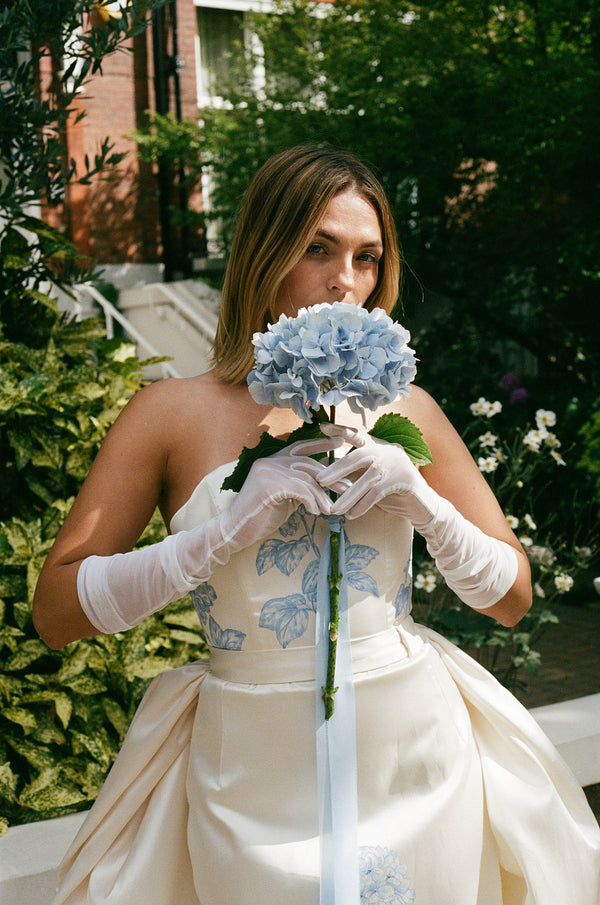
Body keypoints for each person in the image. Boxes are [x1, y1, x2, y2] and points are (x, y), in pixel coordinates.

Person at [34, 146, 600, 905]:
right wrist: (216, 535)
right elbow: (57, 612)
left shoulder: (409, 410)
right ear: (264, 253)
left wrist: (424, 506)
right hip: (249, 767)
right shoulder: (167, 414)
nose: (346, 281)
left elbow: (512, 597)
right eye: (318, 248)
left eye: (368, 258)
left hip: (415, 752)